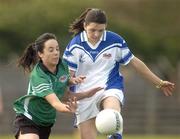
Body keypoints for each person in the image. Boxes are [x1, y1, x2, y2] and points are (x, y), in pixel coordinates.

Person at [63, 8, 175, 139]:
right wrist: (65, 96)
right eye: (92, 30)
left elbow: (135, 63)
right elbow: (67, 76)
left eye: (100, 30)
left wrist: (159, 82)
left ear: (106, 27)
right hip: (84, 95)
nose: (96, 34)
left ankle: (115, 134)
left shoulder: (115, 41)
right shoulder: (75, 46)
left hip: (110, 87)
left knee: (112, 116)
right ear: (85, 25)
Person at [13, 33, 102, 139]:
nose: (56, 53)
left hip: (46, 122)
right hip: (29, 117)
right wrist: (69, 109)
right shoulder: (38, 76)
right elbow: (55, 102)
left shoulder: (62, 65)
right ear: (40, 54)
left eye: (57, 49)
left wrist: (84, 91)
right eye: (51, 50)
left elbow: (64, 93)